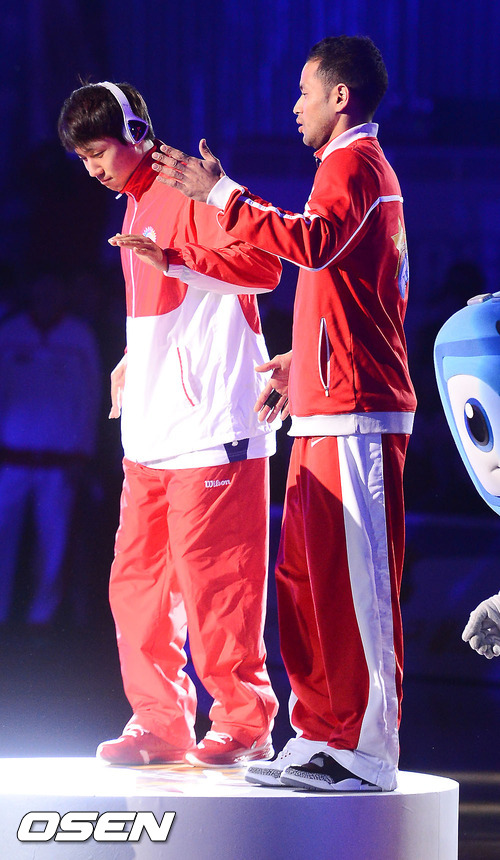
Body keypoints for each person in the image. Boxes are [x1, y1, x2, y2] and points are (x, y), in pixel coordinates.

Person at [152, 35, 417, 791]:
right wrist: (301, 364)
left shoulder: (357, 164)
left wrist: (221, 194)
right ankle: (320, 735)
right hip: (328, 403)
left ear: (341, 96)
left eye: (305, 91)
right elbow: (364, 291)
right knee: (307, 579)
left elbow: (315, 244)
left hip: (359, 410)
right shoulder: (349, 169)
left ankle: (366, 752)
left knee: (356, 590)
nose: (295, 105)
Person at [58, 81, 282, 766]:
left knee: (218, 583)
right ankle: (160, 722)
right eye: (83, 159)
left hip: (212, 426)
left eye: (99, 152)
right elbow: (175, 308)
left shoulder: (189, 186)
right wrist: (137, 356)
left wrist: (178, 259)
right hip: (154, 429)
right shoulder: (137, 199)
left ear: (136, 133)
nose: (93, 169)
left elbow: (263, 269)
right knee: (138, 585)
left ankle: (244, 722)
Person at [0, 271, 101, 625]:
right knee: (3, 537)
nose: (46, 296)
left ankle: (41, 619)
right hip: (11, 458)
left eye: (53, 289)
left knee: (53, 543)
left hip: (61, 461)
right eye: (40, 288)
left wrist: (82, 453)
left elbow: (92, 399)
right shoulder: (11, 332)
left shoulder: (79, 336)